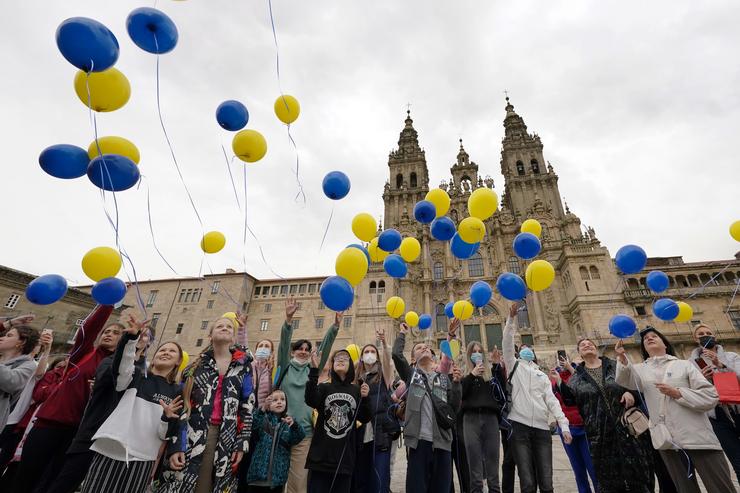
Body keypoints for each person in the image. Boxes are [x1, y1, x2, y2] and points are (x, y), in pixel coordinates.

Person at [11, 304, 119, 493]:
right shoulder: (84, 354)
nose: (108, 334)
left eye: (116, 333)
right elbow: (88, 330)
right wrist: (108, 303)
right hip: (49, 423)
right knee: (25, 477)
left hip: (79, 433)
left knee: (54, 483)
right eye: (106, 331)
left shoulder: (120, 367)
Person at [615, 326, 735, 492]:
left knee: (720, 487)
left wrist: (678, 393)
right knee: (685, 490)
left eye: (654, 336)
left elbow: (710, 396)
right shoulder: (639, 370)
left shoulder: (684, 365)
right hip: (668, 441)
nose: (649, 338)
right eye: (645, 339)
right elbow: (624, 379)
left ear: (664, 343)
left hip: (698, 438)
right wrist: (622, 358)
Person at [45, 318, 153, 493]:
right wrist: (129, 342)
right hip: (91, 434)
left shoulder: (148, 373)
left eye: (145, 335)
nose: (140, 336)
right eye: (137, 334)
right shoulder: (110, 361)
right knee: (63, 484)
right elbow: (115, 376)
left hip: (114, 442)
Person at [80, 317, 183, 493]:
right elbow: (122, 368)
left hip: (143, 458)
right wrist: (131, 340)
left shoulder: (176, 392)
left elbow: (164, 434)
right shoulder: (136, 374)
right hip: (110, 448)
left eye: (172, 351)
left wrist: (167, 417)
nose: (165, 352)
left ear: (179, 361)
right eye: (162, 349)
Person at [164, 315, 254, 493]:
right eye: (219, 326)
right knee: (184, 485)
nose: (225, 328)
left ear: (234, 338)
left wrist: (242, 442)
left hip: (226, 435)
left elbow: (248, 405)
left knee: (213, 486)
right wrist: (176, 445)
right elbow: (182, 407)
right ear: (210, 335)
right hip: (192, 433)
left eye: (229, 327)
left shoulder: (243, 367)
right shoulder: (193, 368)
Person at [554, 338, 652, 493]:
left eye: (590, 343)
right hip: (599, 435)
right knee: (609, 481)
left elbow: (636, 386)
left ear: (596, 348)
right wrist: (559, 381)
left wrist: (630, 392)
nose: (587, 345)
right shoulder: (576, 378)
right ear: (579, 353)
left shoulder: (615, 365)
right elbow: (569, 400)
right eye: (582, 345)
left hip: (628, 430)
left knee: (639, 476)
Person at [502, 302, 571, 493]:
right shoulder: (514, 366)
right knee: (528, 483)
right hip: (520, 427)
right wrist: (511, 318)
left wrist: (563, 424)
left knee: (547, 485)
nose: (526, 350)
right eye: (522, 348)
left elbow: (551, 399)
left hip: (541, 429)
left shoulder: (541, 374)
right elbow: (507, 342)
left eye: (528, 348)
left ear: (533, 353)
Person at [276, 298, 340, 493]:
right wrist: (288, 319)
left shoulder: (313, 369)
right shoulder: (284, 365)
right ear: (293, 351)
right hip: (280, 430)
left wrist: (335, 325)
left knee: (299, 482)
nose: (303, 352)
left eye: (306, 349)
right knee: (276, 479)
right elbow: (283, 342)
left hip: (304, 433)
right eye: (299, 349)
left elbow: (325, 347)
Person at [392, 319, 463, 493]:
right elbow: (396, 355)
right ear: (413, 359)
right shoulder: (412, 375)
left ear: (433, 356)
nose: (424, 348)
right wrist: (402, 333)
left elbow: (453, 408)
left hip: (442, 443)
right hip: (418, 442)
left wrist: (451, 335)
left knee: (441, 488)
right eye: (418, 348)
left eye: (426, 347)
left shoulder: (442, 376)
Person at [305, 348, 371, 493]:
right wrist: (314, 371)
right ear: (332, 365)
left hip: (344, 459)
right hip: (320, 458)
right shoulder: (324, 387)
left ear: (350, 366)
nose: (341, 359)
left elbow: (365, 417)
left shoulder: (356, 390)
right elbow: (310, 400)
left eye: (345, 358)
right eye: (337, 358)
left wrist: (366, 399)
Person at [689, 323, 740, 482]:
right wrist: (704, 379)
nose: (705, 335)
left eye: (708, 332)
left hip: (737, 408)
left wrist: (721, 365)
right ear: (695, 339)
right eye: (701, 334)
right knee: (737, 460)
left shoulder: (732, 356)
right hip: (717, 415)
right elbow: (694, 391)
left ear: (714, 336)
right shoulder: (691, 364)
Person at [0, 328, 55, 476]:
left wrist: (47, 348)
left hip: (11, 419)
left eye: (9, 335)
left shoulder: (32, 365)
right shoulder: (7, 360)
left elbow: (39, 372)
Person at [352, 327, 397, 493]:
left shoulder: (384, 374)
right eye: (366, 351)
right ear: (362, 357)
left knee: (380, 476)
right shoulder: (356, 378)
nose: (370, 354)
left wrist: (384, 343)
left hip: (380, 432)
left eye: (372, 351)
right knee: (361, 477)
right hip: (360, 434)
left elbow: (388, 361)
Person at [460, 341, 505, 493]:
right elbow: (461, 393)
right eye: (474, 351)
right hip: (470, 419)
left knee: (493, 464)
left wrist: (497, 366)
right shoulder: (464, 375)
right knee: (475, 468)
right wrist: (472, 376)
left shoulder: (490, 375)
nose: (477, 354)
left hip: (490, 418)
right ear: (468, 355)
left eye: (480, 351)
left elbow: (502, 391)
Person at [246, 389, 306, 492]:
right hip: (257, 477)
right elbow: (254, 424)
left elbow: (299, 437)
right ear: (268, 404)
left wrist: (295, 425)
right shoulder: (264, 419)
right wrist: (263, 409)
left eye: (282, 399)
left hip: (277, 480)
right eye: (275, 400)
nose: (279, 402)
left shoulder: (288, 424)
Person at [0, 325, 40, 431]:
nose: (2, 338)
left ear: (21, 342)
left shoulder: (28, 364)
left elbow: (12, 382)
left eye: (9, 335)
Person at [253, 339, 276, 410]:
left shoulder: (273, 370)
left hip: (265, 411)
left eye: (266, 346)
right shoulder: (249, 366)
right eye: (260, 346)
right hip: (247, 411)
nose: (263, 348)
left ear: (271, 352)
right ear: (256, 350)